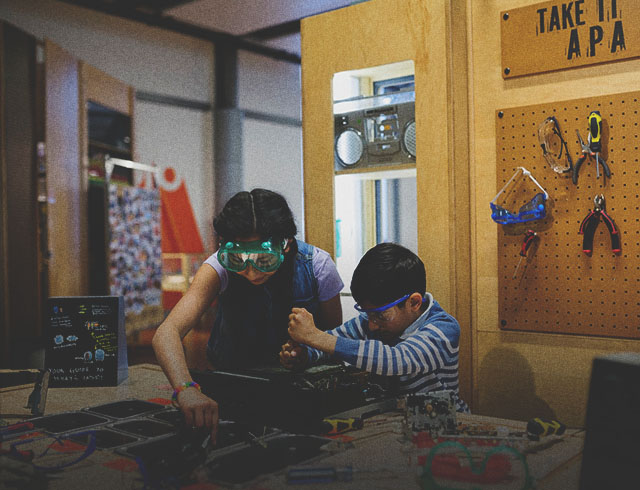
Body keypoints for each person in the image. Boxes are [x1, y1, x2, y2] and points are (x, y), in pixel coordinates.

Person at [153, 188, 344, 440]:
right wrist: (186, 389)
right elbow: (167, 332)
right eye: (238, 260)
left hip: (299, 388)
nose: (252, 272)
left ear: (285, 244)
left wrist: (307, 352)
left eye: (264, 260)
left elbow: (333, 336)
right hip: (233, 380)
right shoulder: (217, 267)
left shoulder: (317, 266)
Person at [280, 242, 469, 412]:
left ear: (414, 303)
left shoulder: (444, 329)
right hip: (397, 426)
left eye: (380, 315)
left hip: (446, 431)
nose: (371, 324)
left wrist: (315, 336)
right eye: (368, 313)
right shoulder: (371, 321)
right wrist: (303, 354)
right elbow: (330, 345)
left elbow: (397, 360)